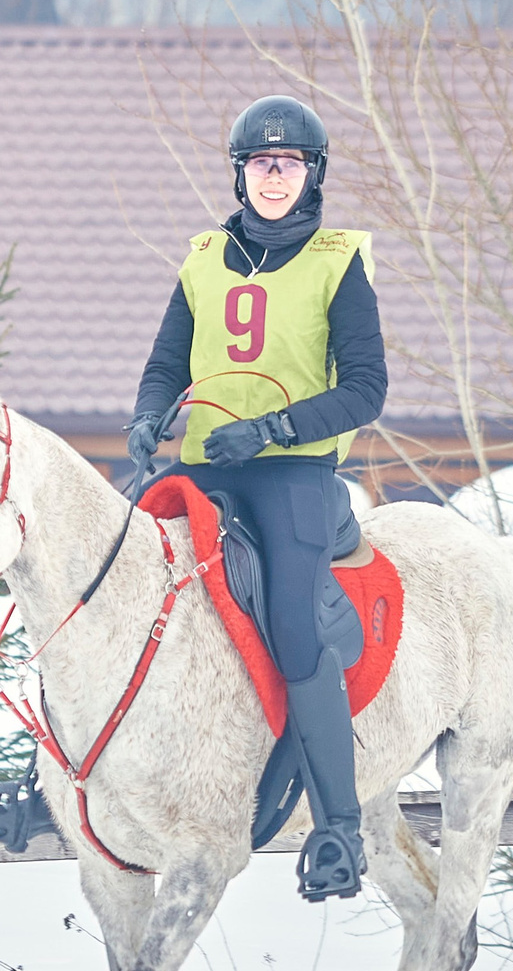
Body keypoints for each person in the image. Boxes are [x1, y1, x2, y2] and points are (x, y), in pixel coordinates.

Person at [129, 94, 386, 901]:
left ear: (312, 176)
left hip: (293, 476)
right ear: (240, 174)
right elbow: (169, 361)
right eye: (261, 164)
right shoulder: (203, 257)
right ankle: (55, 787)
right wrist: (145, 417)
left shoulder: (338, 262)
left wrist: (274, 429)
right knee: (119, 588)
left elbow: (367, 389)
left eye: (290, 164)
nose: (275, 177)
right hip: (205, 468)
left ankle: (339, 831)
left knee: (290, 626)